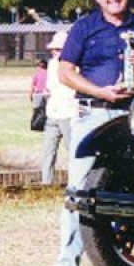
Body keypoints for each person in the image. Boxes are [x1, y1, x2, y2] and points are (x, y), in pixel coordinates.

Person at [43, 0, 134, 266]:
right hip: (93, 114)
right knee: (79, 189)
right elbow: (65, 72)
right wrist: (100, 91)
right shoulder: (84, 28)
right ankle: (66, 264)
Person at [40, 31, 77, 185]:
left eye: (58, 49)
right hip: (53, 112)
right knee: (48, 151)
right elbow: (49, 87)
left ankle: (75, 182)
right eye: (53, 49)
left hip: (68, 113)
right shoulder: (52, 64)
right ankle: (46, 182)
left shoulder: (75, 66)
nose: (54, 51)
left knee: (72, 151)